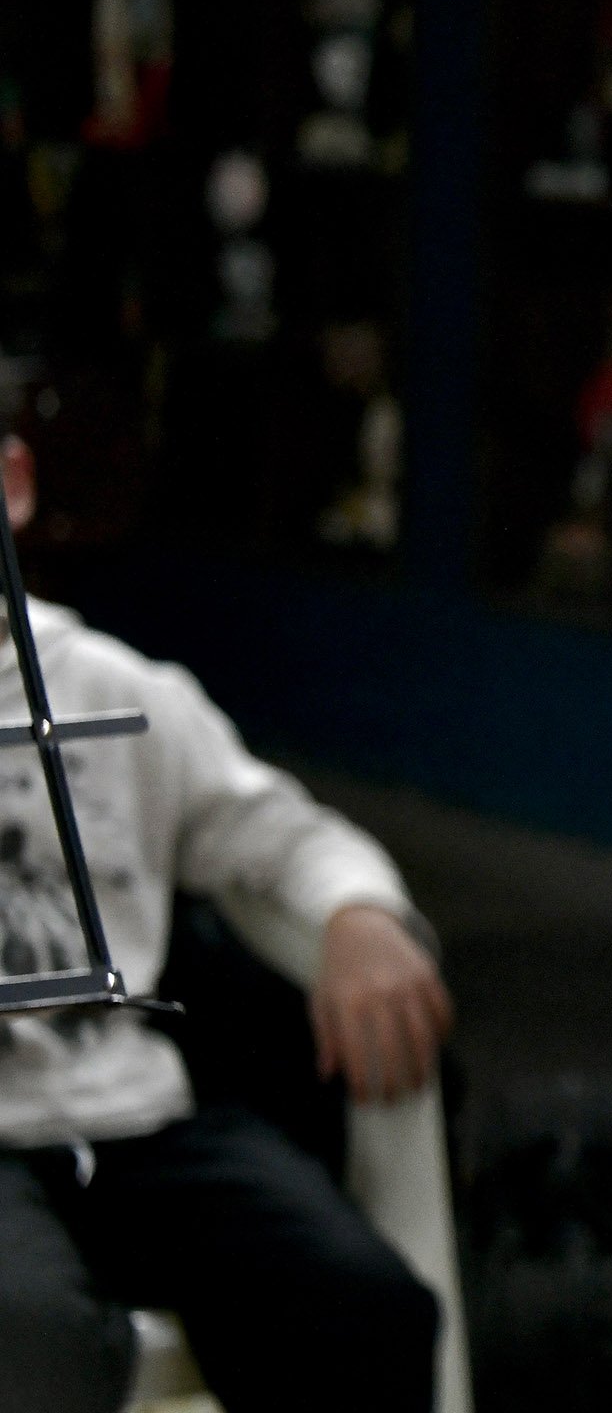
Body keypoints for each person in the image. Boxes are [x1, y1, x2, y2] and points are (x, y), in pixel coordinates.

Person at [0, 436, 450, 1413]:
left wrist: (357, 913)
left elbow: (284, 834)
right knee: (36, 1340)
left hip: (129, 1115)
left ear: (16, 485)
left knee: (363, 1304)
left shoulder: (114, 687)